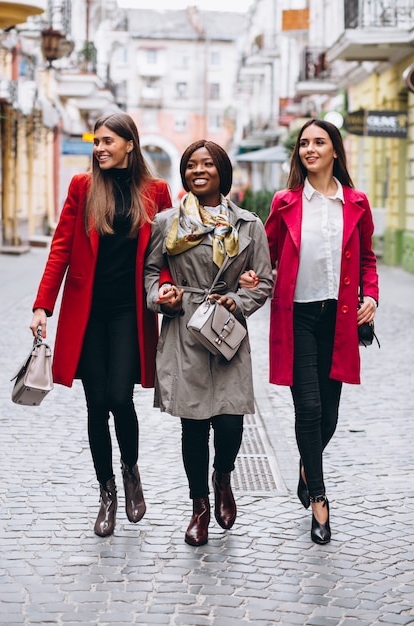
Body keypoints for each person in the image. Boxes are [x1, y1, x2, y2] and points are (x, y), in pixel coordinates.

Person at [30, 112, 173, 537]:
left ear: (130, 143)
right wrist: (43, 306)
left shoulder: (155, 192)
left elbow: (167, 255)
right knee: (95, 405)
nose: (100, 148)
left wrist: (165, 288)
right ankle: (106, 492)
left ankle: (130, 470)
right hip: (87, 312)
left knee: (118, 396)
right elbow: (60, 249)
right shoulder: (82, 187)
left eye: (109, 141)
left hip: (131, 311)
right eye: (97, 142)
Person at [144, 139, 273, 546]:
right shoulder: (167, 223)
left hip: (227, 331)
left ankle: (223, 477)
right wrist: (162, 296)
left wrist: (237, 299)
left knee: (231, 421)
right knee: (194, 425)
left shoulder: (248, 224)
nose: (197, 171)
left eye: (206, 165)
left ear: (222, 172)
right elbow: (150, 273)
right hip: (185, 329)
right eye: (190, 166)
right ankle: (199, 506)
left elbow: (264, 280)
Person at [264, 119, 379, 544]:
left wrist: (372, 296)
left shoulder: (356, 203)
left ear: (335, 150)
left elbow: (367, 259)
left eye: (319, 142)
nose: (310, 149)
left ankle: (304, 467)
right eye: (304, 143)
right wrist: (254, 279)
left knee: (329, 415)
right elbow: (267, 256)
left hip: (342, 317)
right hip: (298, 317)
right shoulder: (285, 202)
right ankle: (320, 499)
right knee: (308, 409)